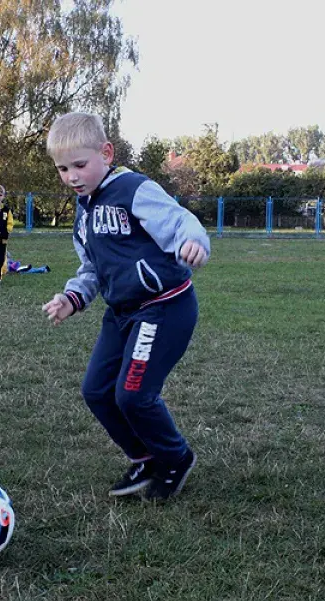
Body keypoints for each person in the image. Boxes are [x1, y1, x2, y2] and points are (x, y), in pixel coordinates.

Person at [41, 112, 210, 502]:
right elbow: (92, 268)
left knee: (133, 395)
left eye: (80, 165)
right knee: (97, 391)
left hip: (163, 307)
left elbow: (181, 220)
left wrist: (194, 243)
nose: (72, 177)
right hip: (121, 314)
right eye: (63, 169)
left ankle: (175, 457)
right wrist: (72, 297)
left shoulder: (134, 189)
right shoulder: (84, 211)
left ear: (106, 152)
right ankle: (144, 457)